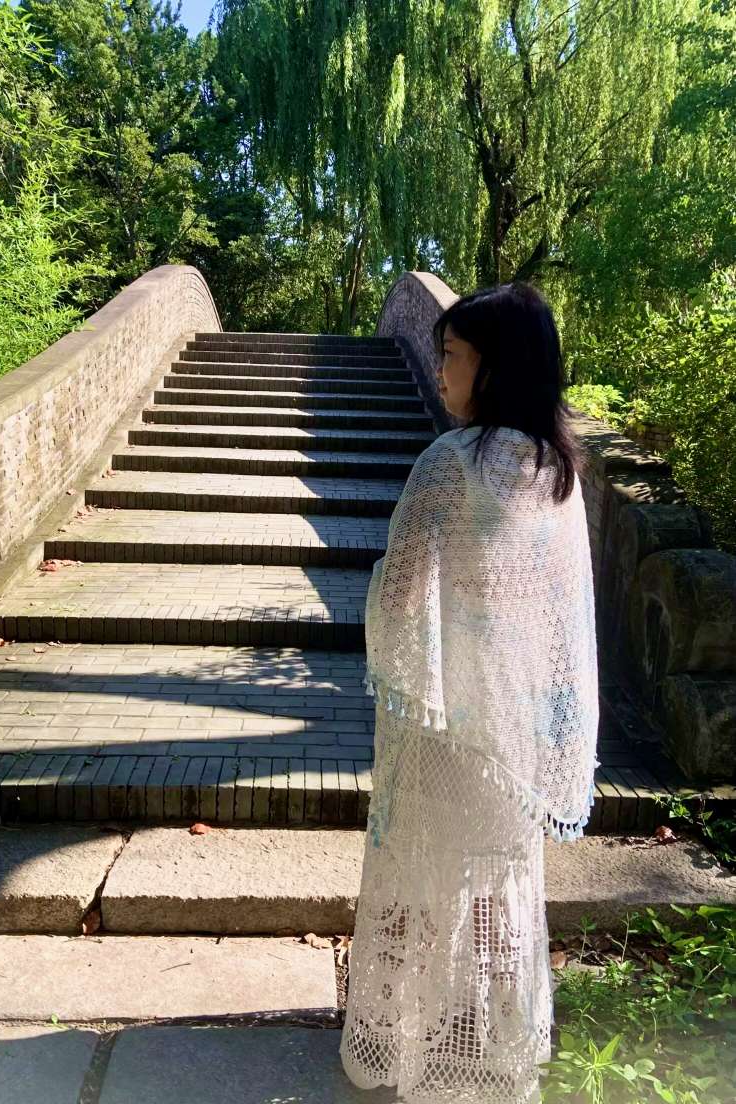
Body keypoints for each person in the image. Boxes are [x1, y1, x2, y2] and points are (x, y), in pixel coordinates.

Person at [339, 281, 600, 1103]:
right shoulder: (556, 472)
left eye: (452, 354)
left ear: (494, 366)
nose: (441, 369)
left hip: (448, 719)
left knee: (417, 870)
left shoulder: (450, 464)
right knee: (497, 881)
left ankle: (401, 1038)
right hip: (514, 725)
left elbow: (402, 591)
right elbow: (559, 615)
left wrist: (380, 586)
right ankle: (493, 1038)